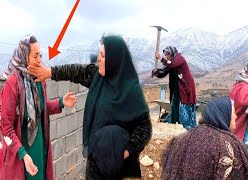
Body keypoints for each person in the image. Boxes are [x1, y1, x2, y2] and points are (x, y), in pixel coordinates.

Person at [28, 35, 152, 179]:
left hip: (119, 166)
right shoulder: (97, 77)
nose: (98, 59)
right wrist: (50, 72)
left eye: (103, 56)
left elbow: (145, 127)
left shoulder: (130, 90)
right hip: (96, 159)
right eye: (99, 54)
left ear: (115, 60)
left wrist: (126, 151)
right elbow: (76, 71)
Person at [0, 35, 77, 180]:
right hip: (20, 155)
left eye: (40, 55)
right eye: (35, 56)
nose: (39, 60)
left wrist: (61, 102)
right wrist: (23, 154)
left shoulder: (39, 81)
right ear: (24, 56)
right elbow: (6, 127)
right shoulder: (12, 84)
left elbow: (38, 109)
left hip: (39, 149)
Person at [162, 96, 248, 179]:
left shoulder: (182, 139)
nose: (235, 115)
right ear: (224, 115)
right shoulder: (226, 145)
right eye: (232, 112)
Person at [153, 46, 197, 129]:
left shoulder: (179, 58)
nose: (166, 56)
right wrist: (156, 72)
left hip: (185, 87)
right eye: (165, 55)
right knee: (175, 104)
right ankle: (174, 123)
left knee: (185, 105)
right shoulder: (171, 63)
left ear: (172, 53)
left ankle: (188, 126)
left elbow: (172, 64)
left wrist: (161, 58)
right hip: (177, 88)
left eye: (167, 54)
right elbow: (164, 71)